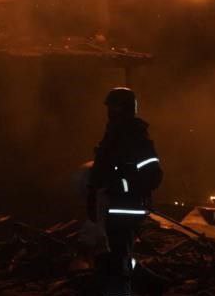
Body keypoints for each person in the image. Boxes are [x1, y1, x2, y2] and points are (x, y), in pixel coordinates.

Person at [86, 87, 162, 296]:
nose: (109, 112)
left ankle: (128, 288)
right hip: (110, 208)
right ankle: (148, 284)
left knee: (117, 261)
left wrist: (123, 184)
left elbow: (153, 175)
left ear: (124, 108)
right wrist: (93, 195)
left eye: (113, 107)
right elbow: (101, 172)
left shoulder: (136, 137)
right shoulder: (113, 134)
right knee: (110, 258)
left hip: (125, 209)